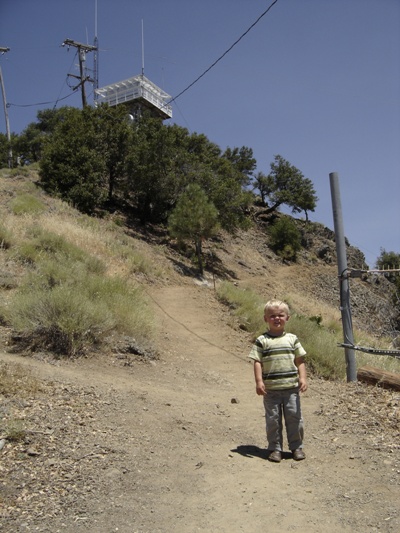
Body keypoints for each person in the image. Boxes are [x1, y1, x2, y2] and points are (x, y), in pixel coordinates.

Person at [248, 299, 307, 463]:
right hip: (271, 391)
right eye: (272, 316)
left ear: (287, 318)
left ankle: (296, 447)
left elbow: (300, 360)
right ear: (265, 319)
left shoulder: (292, 339)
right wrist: (259, 381)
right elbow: (257, 361)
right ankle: (275, 448)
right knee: (273, 420)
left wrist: (302, 378)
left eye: (280, 315)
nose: (276, 318)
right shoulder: (262, 340)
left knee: (294, 418)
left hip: (291, 389)